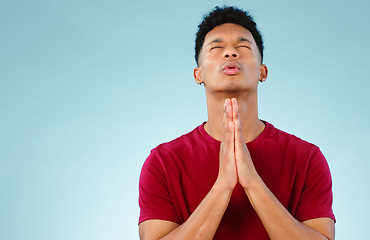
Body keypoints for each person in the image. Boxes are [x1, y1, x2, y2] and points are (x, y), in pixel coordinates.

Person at [138, 6, 335, 240]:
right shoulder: (162, 162)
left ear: (263, 71)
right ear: (198, 74)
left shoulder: (307, 158)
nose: (230, 53)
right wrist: (222, 186)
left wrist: (252, 182)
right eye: (216, 47)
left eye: (242, 46)